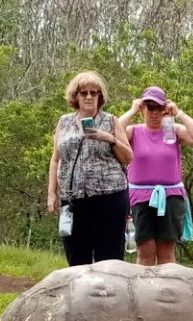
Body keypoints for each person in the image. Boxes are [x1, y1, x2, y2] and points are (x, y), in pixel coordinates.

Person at [47, 71, 132, 266]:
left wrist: (109, 138)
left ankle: (111, 297)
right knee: (77, 259)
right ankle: (81, 297)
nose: (88, 97)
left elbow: (128, 157)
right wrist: (52, 193)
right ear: (75, 96)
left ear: (100, 97)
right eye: (83, 92)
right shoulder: (64, 122)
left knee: (109, 259)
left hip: (109, 198)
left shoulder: (110, 121)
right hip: (73, 199)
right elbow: (55, 159)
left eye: (94, 93)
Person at [118, 87, 193, 266]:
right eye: (149, 107)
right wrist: (132, 110)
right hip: (140, 198)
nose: (154, 113)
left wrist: (179, 113)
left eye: (158, 108)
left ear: (164, 109)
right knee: (145, 249)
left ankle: (167, 292)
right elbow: (112, 134)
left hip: (170, 196)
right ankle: (143, 291)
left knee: (166, 251)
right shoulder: (133, 132)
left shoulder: (172, 130)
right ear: (143, 108)